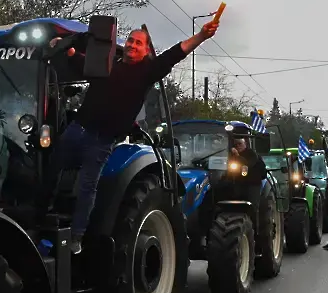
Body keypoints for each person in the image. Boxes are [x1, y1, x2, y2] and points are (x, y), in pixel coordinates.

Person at [38, 20, 221, 253]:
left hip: (102, 141)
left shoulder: (147, 72)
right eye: (131, 41)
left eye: (139, 43)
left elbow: (177, 52)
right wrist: (62, 45)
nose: (133, 45)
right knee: (50, 167)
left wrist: (202, 36)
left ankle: (77, 236)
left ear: (146, 51)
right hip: (77, 130)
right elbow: (78, 59)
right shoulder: (105, 65)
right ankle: (39, 215)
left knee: (88, 186)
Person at [230, 136, 267, 229]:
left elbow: (246, 166)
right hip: (237, 184)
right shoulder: (230, 155)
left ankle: (255, 230)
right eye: (236, 144)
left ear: (245, 144)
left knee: (252, 207)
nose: (238, 146)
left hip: (252, 184)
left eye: (240, 143)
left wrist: (237, 156)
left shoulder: (252, 155)